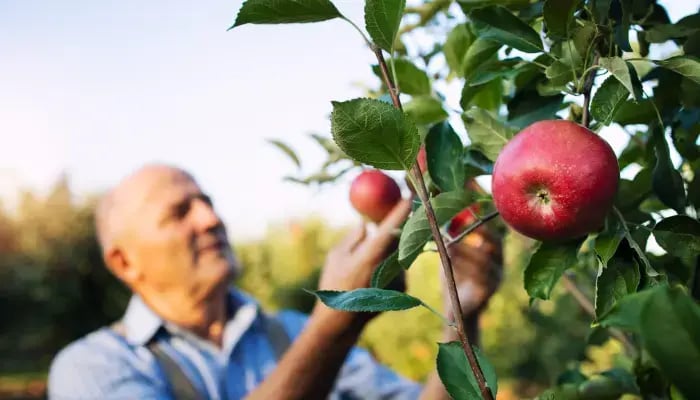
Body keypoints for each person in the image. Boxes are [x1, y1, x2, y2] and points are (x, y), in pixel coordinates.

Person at [47, 163, 502, 400]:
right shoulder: (91, 369)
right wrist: (334, 323)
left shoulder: (289, 331)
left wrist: (461, 316)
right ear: (124, 262)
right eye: (179, 212)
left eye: (206, 202)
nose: (210, 219)